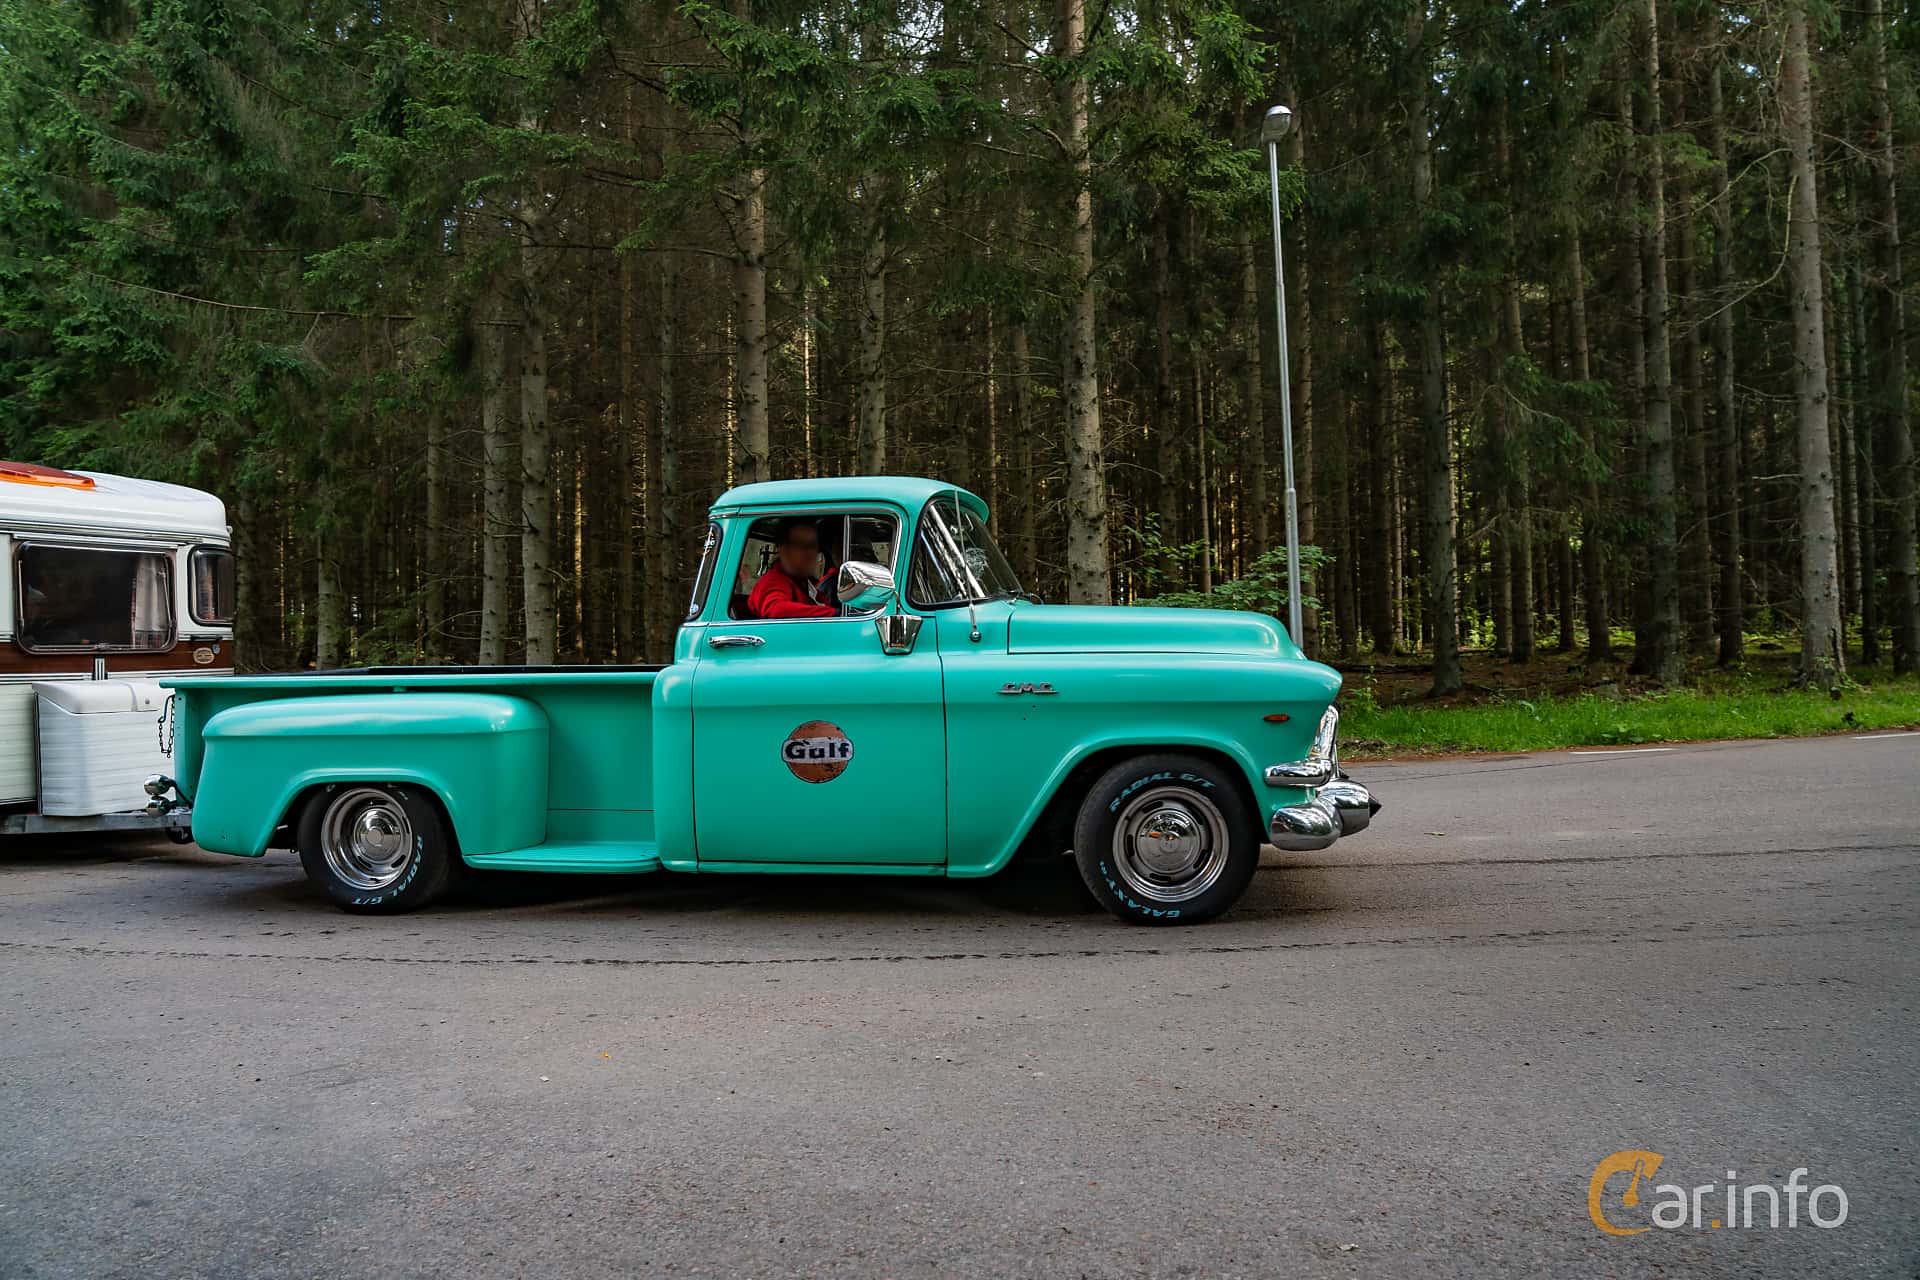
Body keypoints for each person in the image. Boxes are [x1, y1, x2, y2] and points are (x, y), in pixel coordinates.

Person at [746, 520, 838, 619]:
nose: (809, 553)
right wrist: (835, 614)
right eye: (800, 545)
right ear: (784, 550)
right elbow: (777, 610)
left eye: (812, 546)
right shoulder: (774, 580)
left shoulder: (806, 583)